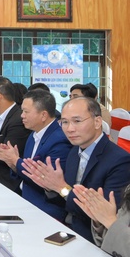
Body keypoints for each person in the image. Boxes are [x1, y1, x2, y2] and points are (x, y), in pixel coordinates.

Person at [21, 97, 130, 243]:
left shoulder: (119, 160)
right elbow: (64, 202)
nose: (70, 129)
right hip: (67, 229)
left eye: (77, 121)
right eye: (65, 122)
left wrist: (61, 188)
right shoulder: (74, 152)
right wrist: (50, 187)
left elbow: (104, 216)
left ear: (97, 122)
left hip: (95, 239)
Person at [0, 90, 73, 221]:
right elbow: (26, 170)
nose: (22, 116)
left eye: (26, 112)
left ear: (43, 115)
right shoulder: (33, 134)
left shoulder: (59, 140)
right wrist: (12, 162)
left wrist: (16, 160)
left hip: (45, 208)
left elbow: (44, 180)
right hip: (25, 198)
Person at [73, 184, 130, 257]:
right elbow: (118, 225)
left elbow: (113, 224)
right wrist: (100, 221)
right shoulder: (128, 189)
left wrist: (110, 221)